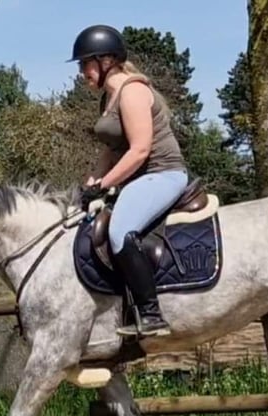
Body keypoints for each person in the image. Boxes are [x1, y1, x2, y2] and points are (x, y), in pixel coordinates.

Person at [69, 24, 188, 338]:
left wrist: (105, 184)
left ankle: (151, 313)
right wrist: (89, 185)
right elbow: (112, 152)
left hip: (162, 173)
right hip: (138, 179)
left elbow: (139, 150)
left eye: (85, 64)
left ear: (106, 61)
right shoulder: (108, 99)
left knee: (120, 231)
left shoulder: (132, 91)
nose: (83, 72)